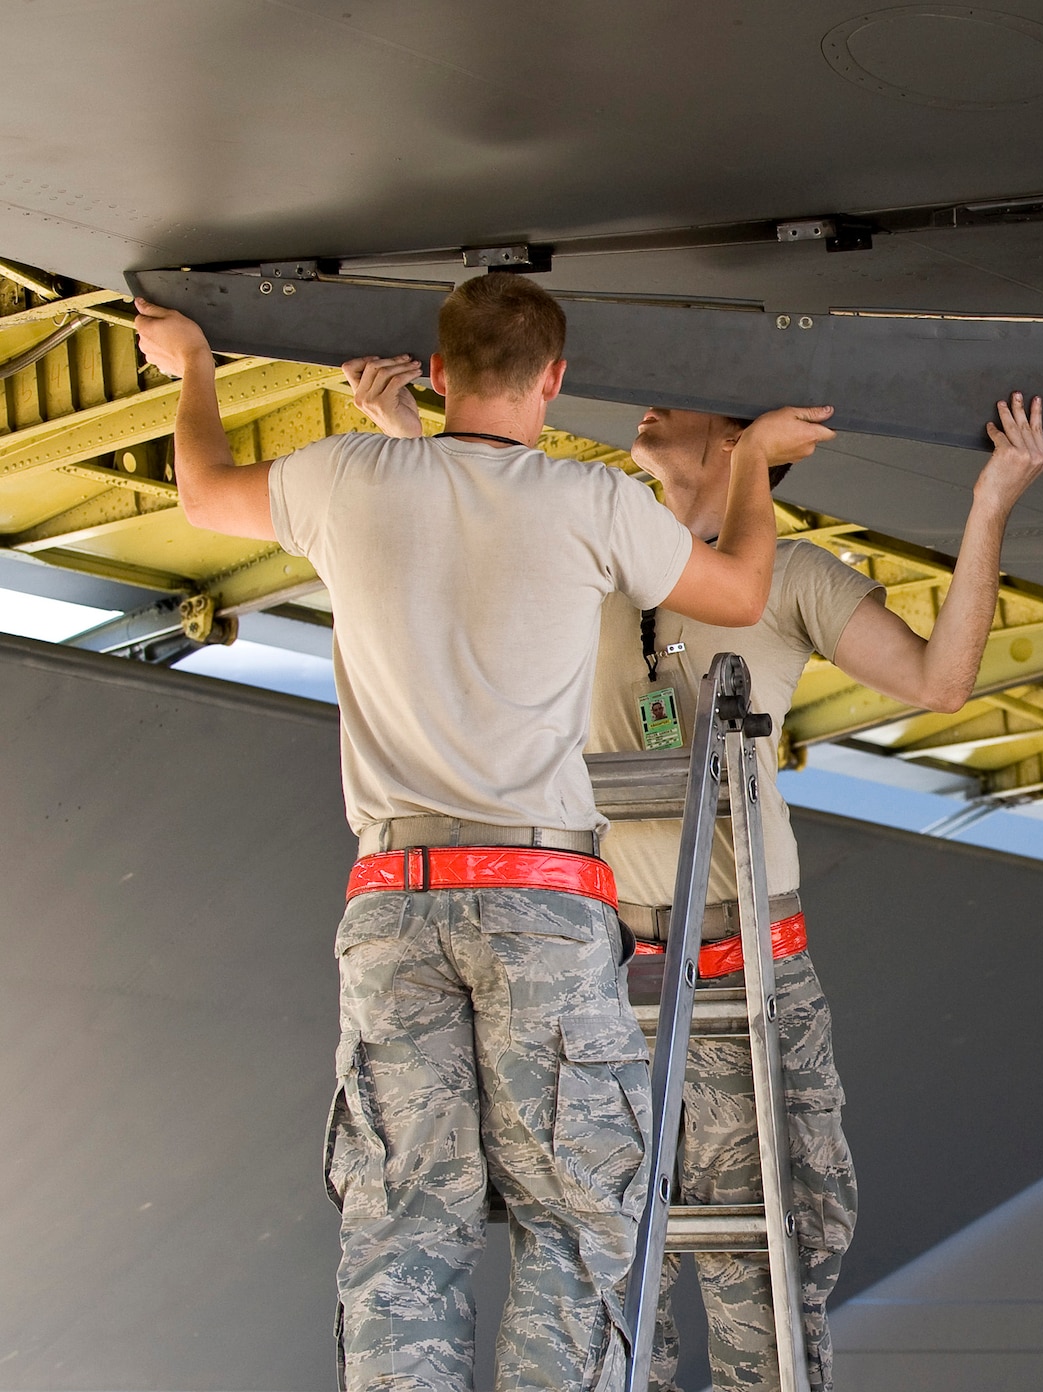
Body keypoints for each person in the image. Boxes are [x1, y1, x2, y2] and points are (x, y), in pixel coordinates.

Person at [134, 274, 834, 1392]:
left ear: (438, 368)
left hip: (394, 895)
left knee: (403, 1229)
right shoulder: (588, 503)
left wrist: (198, 369)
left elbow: (207, 490)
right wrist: (748, 459)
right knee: (573, 1220)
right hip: (541, 900)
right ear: (554, 381)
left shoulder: (346, 478)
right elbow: (742, 590)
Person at [345, 362, 1043, 1390]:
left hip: (745, 970)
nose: (647, 402)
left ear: (736, 436)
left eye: (677, 393)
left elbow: (941, 682)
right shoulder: (588, 540)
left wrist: (988, 508)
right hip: (590, 973)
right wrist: (406, 431)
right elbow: (480, 519)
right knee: (603, 1265)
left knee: (762, 1267)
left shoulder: (795, 576)